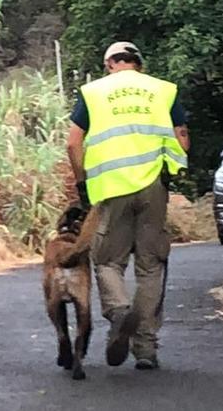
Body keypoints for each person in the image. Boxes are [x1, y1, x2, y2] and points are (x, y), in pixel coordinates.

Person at [66, 42, 189, 370]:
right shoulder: (163, 90)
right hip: (154, 186)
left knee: (107, 260)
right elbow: (181, 136)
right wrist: (171, 172)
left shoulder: (93, 93)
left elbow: (73, 142)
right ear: (139, 64)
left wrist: (82, 183)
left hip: (112, 188)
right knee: (151, 265)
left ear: (109, 64)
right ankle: (146, 350)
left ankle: (119, 311)